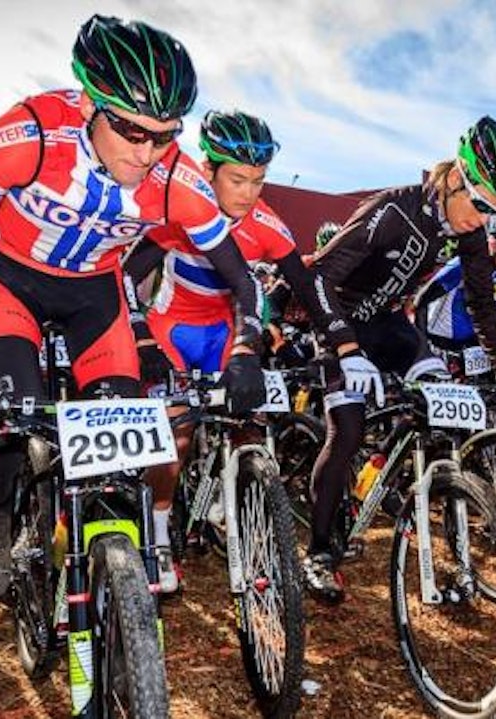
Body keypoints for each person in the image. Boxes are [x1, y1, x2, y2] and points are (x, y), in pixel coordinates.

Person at [0, 15, 268, 599]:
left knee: (117, 453)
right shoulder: (33, 134)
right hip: (10, 284)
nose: (148, 153)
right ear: (93, 103)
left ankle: (110, 583)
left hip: (94, 297)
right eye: (132, 131)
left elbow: (245, 282)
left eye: (165, 135)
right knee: (12, 431)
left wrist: (248, 352)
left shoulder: (179, 180)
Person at [300, 116, 496, 604]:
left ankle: (415, 490)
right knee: (347, 430)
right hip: (340, 319)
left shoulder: (467, 228)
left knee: (440, 405)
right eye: (482, 204)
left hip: (390, 326)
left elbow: (480, 299)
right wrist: (344, 346)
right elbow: (319, 276)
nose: (485, 220)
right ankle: (319, 552)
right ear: (454, 178)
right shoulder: (392, 209)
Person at [122, 109, 355, 593]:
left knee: (251, 425)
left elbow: (307, 287)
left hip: (228, 332)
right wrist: (142, 334)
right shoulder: (181, 207)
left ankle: (233, 500)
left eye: (259, 181)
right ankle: (159, 534)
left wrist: (345, 344)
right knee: (177, 434)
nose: (249, 193)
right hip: (176, 329)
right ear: (208, 170)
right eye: (237, 179)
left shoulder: (266, 224)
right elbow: (125, 272)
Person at [414, 216, 496, 364]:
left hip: (475, 346)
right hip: (440, 342)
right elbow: (420, 301)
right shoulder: (460, 267)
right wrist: (422, 345)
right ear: (493, 245)